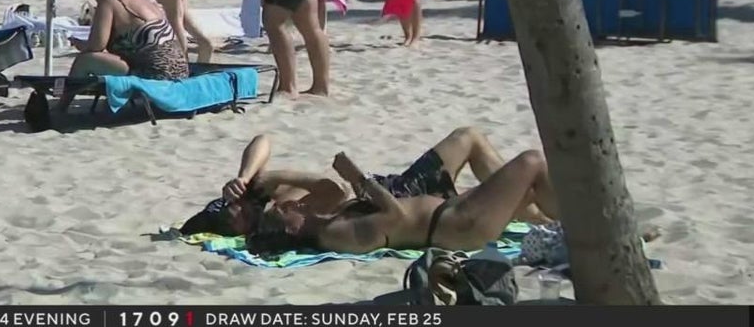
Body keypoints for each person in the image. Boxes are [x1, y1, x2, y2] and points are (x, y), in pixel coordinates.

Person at [179, 126, 553, 238]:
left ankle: (543, 215)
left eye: (231, 206)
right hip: (395, 197)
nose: (236, 208)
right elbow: (333, 190)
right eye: (232, 214)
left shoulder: (258, 198)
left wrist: (246, 177)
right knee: (515, 184)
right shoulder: (281, 218)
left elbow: (262, 139)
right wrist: (274, 178)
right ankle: (549, 216)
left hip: (396, 192)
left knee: (470, 140)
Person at [245, 148, 559, 254]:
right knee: (531, 163)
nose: (288, 205)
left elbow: (331, 189)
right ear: (290, 230)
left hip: (452, 213)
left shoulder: (328, 221)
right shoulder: (334, 234)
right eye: (283, 212)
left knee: (527, 192)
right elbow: (395, 216)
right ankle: (584, 226)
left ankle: (573, 226)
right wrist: (359, 177)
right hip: (458, 225)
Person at [60, 0, 190, 112]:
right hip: (180, 72)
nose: (95, 0)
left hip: (156, 75)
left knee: (84, 60)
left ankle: (60, 107)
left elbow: (97, 46)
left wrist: (80, 45)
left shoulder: (108, 1)